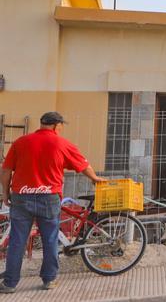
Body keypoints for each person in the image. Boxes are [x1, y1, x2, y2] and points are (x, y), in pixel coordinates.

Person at [0, 112, 105, 293]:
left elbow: (6, 170)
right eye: (61, 126)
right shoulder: (62, 144)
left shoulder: (20, 142)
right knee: (50, 239)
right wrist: (95, 179)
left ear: (42, 124)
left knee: (17, 240)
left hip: (21, 196)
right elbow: (83, 165)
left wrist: (5, 194)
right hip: (49, 198)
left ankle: (10, 283)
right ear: (57, 126)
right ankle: (49, 280)